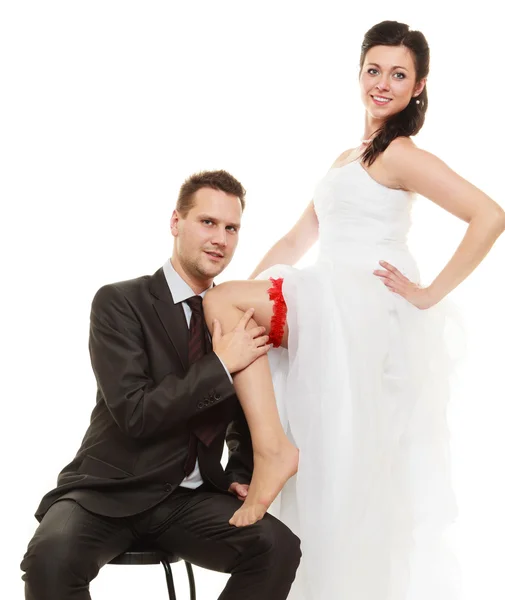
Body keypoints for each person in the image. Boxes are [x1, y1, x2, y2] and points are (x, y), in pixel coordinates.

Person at [202, 21, 505, 599]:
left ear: (419, 86)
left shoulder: (401, 153)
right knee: (226, 306)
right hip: (328, 290)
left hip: (361, 302)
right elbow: (296, 241)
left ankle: (269, 454)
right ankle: (257, 458)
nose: (383, 83)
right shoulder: (350, 155)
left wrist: (427, 294)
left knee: (219, 301)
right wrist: (247, 285)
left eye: (399, 74)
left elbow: (490, 216)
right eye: (374, 70)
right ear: (359, 73)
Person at [20, 170, 301, 600]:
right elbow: (136, 413)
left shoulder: (233, 314)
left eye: (231, 228)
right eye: (207, 222)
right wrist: (221, 364)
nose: (220, 239)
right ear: (176, 223)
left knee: (278, 548)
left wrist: (238, 475)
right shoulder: (119, 303)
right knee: (50, 561)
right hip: (107, 491)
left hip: (186, 500)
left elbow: (248, 413)